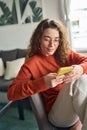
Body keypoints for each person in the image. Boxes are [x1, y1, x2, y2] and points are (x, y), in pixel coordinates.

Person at [7, 18, 87, 130]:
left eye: (56, 40)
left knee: (82, 76)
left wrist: (80, 68)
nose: (52, 45)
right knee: (81, 80)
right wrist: (43, 82)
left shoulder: (65, 53)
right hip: (57, 116)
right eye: (47, 39)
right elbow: (11, 93)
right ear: (39, 39)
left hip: (74, 107)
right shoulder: (31, 64)